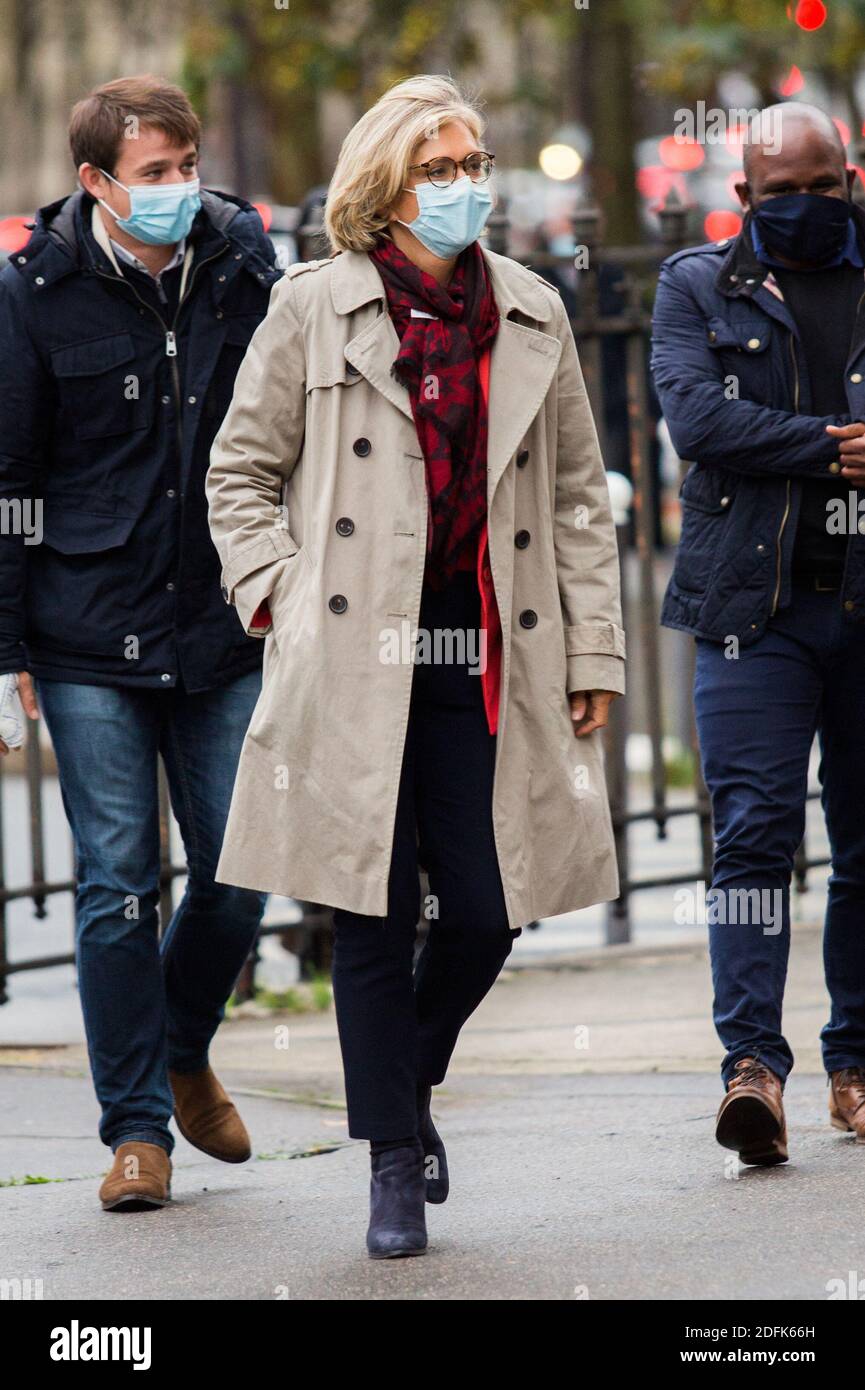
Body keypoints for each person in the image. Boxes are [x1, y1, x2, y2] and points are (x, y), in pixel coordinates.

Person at [207, 74, 625, 1258]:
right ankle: (392, 1162)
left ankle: (404, 1086)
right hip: (353, 649)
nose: (465, 186)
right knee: (372, 910)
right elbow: (237, 476)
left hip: (485, 647)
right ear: (387, 185)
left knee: (490, 912)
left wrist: (593, 644)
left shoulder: (533, 308)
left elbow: (582, 503)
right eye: (440, 168)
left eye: (474, 163)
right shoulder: (312, 308)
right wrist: (278, 594)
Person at [0, 75, 283, 1210]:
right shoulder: (33, 289)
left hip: (221, 617)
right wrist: (7, 643)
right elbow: (10, 480)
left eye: (185, 165)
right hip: (84, 630)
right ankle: (136, 1132)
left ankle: (177, 1039)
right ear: (95, 183)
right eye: (152, 173)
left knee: (242, 869)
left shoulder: (245, 262)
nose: (177, 189)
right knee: (118, 883)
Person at [652, 101, 865, 1167]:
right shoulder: (698, 284)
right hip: (751, 610)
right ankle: (753, 1070)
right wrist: (831, 448)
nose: (802, 206)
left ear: (850, 178)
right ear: (741, 198)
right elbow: (697, 421)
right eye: (778, 192)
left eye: (819, 186)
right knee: (750, 838)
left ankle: (855, 1065)